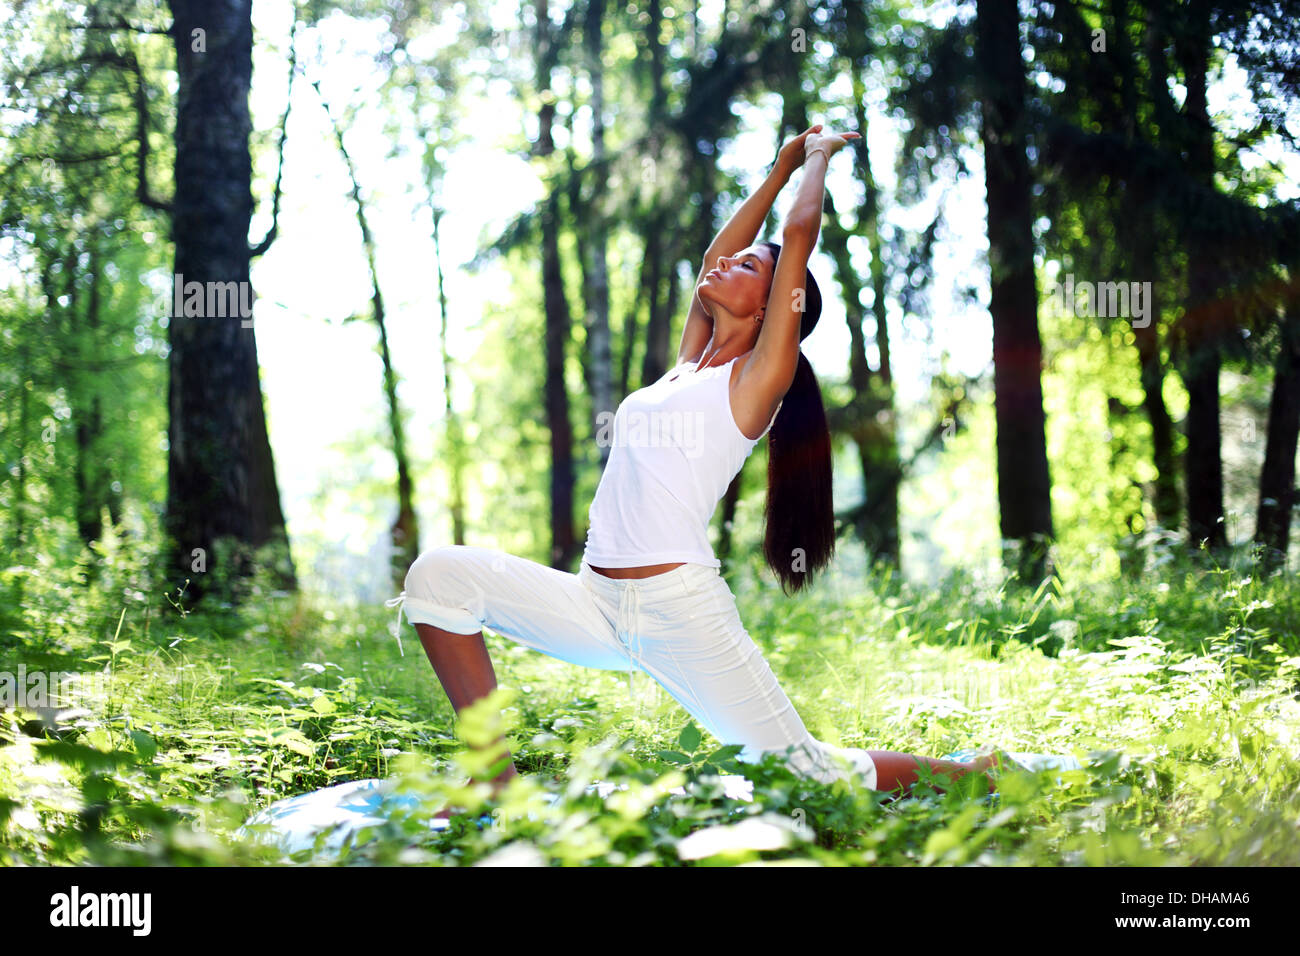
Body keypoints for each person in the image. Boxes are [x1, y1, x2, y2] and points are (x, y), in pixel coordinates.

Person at [387, 124, 1003, 819]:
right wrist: (773, 172)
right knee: (437, 577)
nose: (723, 265)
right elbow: (717, 251)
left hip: (677, 611)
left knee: (810, 776)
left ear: (774, 310)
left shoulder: (757, 378)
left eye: (748, 270)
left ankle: (969, 777)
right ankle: (490, 775)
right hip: (595, 603)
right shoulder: (691, 362)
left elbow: (796, 239)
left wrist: (818, 160)